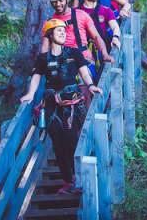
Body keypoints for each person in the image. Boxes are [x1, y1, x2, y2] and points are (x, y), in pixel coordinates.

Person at [21, 19, 102, 194]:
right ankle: (68, 181)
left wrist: (90, 85)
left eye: (64, 31)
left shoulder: (74, 53)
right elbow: (36, 76)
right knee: (58, 143)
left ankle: (79, 179)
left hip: (71, 103)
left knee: (72, 140)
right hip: (51, 105)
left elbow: (84, 72)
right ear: (50, 35)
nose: (63, 33)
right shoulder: (43, 58)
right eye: (59, 31)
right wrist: (30, 94)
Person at [41, 0, 113, 108]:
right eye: (55, 2)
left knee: (83, 88)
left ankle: (87, 121)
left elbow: (96, 37)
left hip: (83, 59)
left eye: (60, 1)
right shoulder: (49, 23)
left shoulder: (81, 15)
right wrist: (40, 65)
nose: (58, 4)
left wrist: (105, 54)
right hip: (61, 62)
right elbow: (45, 48)